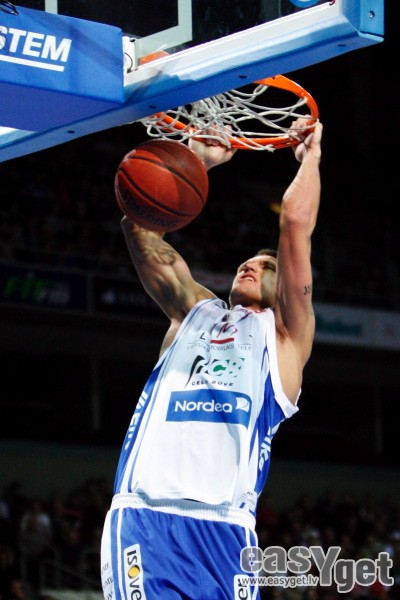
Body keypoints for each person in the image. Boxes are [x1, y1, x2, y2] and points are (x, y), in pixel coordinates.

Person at [101, 117, 323, 600]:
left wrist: (312, 158)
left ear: (284, 286)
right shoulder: (193, 310)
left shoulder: (285, 340)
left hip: (228, 532)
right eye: (248, 261)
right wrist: (195, 161)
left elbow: (294, 222)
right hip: (147, 519)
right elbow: (139, 224)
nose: (250, 265)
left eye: (266, 265)